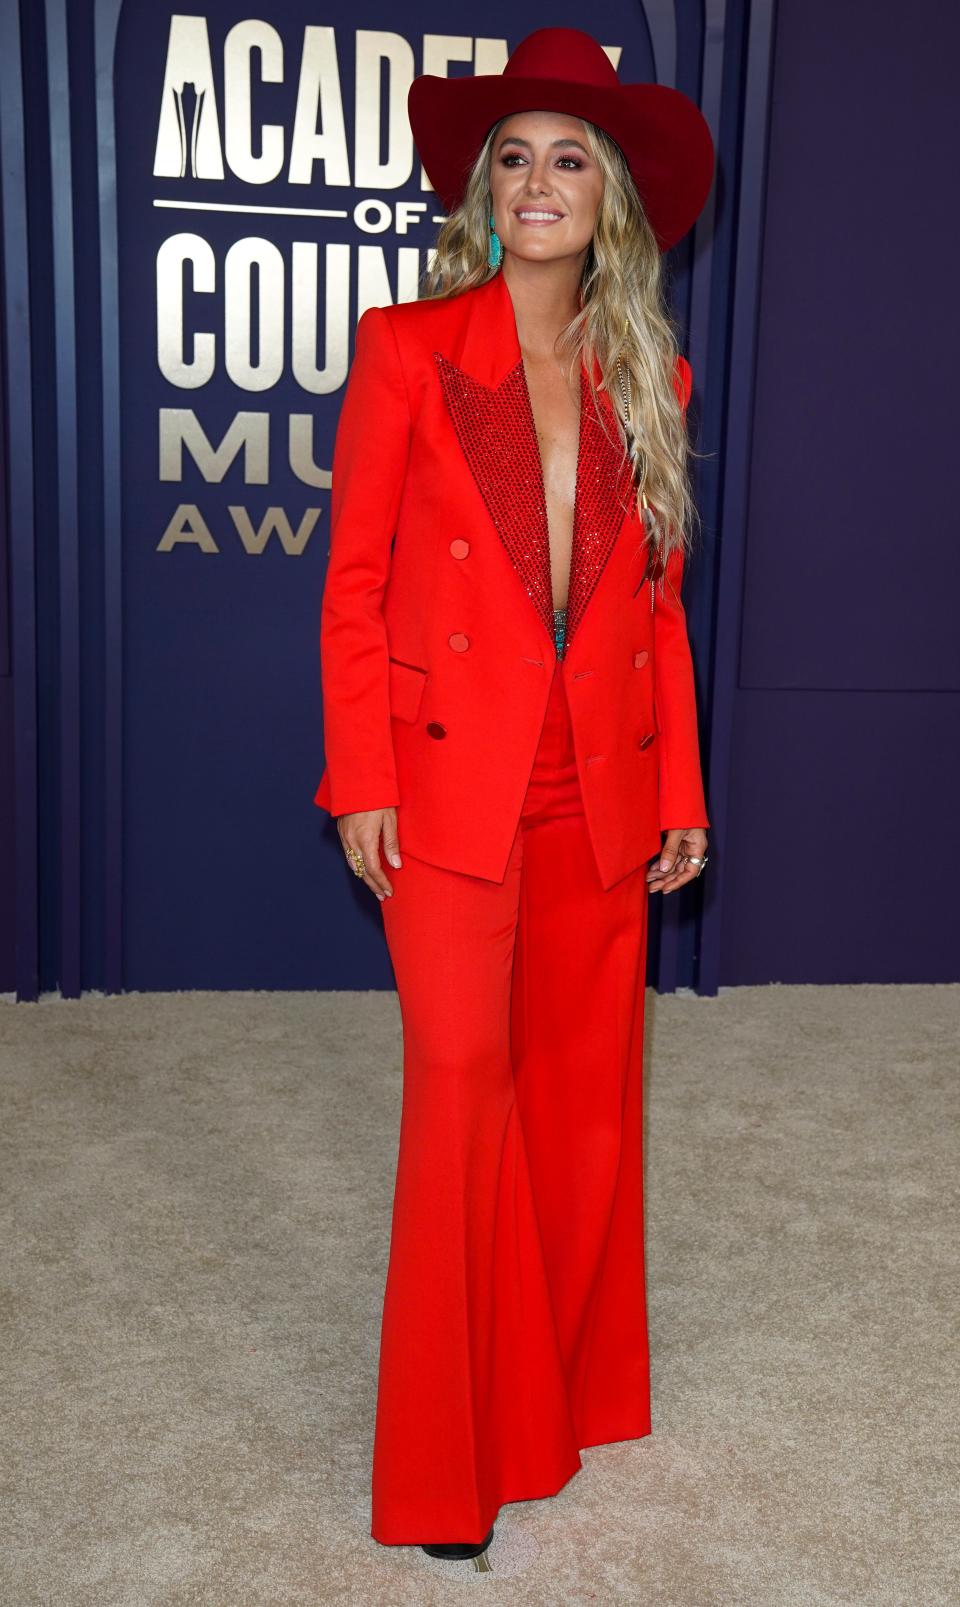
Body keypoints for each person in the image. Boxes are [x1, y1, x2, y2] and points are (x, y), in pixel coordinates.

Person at [313, 26, 715, 1563]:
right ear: (482, 190)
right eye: (515, 156)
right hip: (448, 796)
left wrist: (679, 785)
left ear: (608, 196)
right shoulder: (409, 349)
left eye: (569, 157)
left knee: (583, 1105)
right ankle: (443, 1468)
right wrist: (360, 776)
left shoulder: (648, 371)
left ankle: (566, 1397)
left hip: (600, 800)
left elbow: (655, 609)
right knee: (462, 1102)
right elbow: (353, 593)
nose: (538, 181)